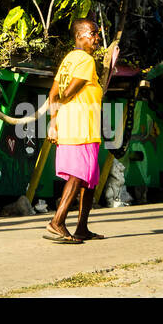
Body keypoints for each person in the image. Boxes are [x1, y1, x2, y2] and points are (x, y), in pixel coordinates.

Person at [43, 18, 113, 243]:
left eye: (96, 34)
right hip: (79, 126)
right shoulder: (85, 60)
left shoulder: (68, 60)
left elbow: (52, 94)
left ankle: (82, 227)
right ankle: (57, 222)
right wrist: (57, 120)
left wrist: (54, 123)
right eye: (92, 33)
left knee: (89, 180)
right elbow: (67, 92)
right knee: (78, 174)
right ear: (79, 35)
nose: (96, 38)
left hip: (82, 128)